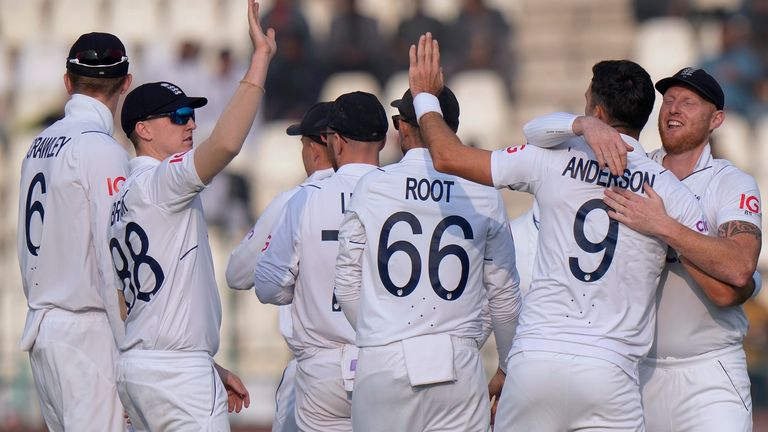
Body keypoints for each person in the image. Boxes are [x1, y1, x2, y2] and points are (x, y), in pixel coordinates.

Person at [408, 33, 707, 430]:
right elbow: (727, 275)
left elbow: (447, 157)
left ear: (597, 111)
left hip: (536, 363)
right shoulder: (670, 192)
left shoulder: (552, 160)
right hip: (610, 371)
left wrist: (425, 97)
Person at [549, 67, 762, 431]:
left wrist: (662, 228)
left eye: (689, 102)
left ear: (717, 119)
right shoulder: (633, 167)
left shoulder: (730, 182)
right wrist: (585, 125)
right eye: (669, 100)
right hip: (636, 372)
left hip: (709, 372)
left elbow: (739, 269)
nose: (673, 109)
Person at [107, 1, 275, 430]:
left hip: (140, 367)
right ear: (142, 129)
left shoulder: (121, 195)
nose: (191, 124)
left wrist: (208, 365)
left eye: (192, 114)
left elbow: (136, 305)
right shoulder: (163, 182)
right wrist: (258, 61)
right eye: (178, 116)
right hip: (175, 376)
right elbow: (227, 145)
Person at [333, 86, 520, 431]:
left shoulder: (372, 187)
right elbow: (504, 298)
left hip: (383, 362)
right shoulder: (483, 193)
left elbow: (346, 286)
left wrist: (382, 333)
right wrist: (506, 365)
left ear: (403, 127)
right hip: (458, 365)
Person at [16, 31, 132, 432]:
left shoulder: (38, 144)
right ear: (126, 83)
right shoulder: (103, 149)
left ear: (68, 82)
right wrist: (128, 352)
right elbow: (111, 259)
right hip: (88, 334)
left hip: (44, 327)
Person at [253, 90, 387, 431]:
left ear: (335, 141)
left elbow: (268, 287)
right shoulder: (399, 195)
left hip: (322, 368)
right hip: (386, 361)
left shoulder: (304, 199)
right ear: (384, 141)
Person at [225, 101, 334, 432]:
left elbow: (238, 273)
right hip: (379, 367)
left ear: (317, 147)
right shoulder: (382, 194)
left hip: (315, 370)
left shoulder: (293, 200)